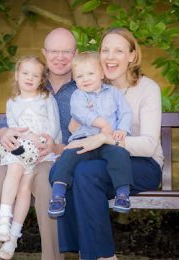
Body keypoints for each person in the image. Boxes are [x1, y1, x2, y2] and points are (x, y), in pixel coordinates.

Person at [52, 27, 163, 259]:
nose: (110, 57)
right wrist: (83, 119)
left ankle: (99, 255)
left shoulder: (147, 89)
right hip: (102, 159)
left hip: (142, 164)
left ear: (132, 56)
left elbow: (150, 145)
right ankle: (90, 252)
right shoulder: (93, 85)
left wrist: (106, 137)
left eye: (119, 51)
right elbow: (74, 127)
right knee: (75, 170)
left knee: (86, 174)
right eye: (105, 50)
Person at [0, 27, 77, 260]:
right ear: (45, 53)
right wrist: (4, 131)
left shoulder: (83, 86)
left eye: (66, 51)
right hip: (22, 155)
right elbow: (3, 124)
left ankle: (52, 257)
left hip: (56, 158)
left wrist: (57, 147)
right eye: (54, 51)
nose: (59, 56)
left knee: (48, 183)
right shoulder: (31, 80)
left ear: (75, 54)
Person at [48, 51, 133, 219]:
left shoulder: (114, 93)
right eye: (79, 76)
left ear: (102, 73)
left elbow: (125, 112)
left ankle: (122, 194)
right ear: (74, 79)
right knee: (67, 156)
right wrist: (101, 123)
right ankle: (58, 195)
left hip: (107, 141)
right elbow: (79, 113)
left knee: (120, 154)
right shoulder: (77, 95)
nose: (85, 79)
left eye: (90, 74)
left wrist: (122, 130)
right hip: (83, 140)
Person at [0, 55, 62, 259]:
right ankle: (4, 219)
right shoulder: (12, 102)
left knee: (25, 189)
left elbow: (54, 125)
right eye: (25, 73)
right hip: (20, 150)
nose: (29, 78)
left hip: (40, 152)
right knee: (13, 173)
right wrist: (25, 137)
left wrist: (45, 144)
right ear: (16, 75)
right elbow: (13, 127)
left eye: (35, 75)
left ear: (41, 79)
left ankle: (13, 237)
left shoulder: (46, 98)